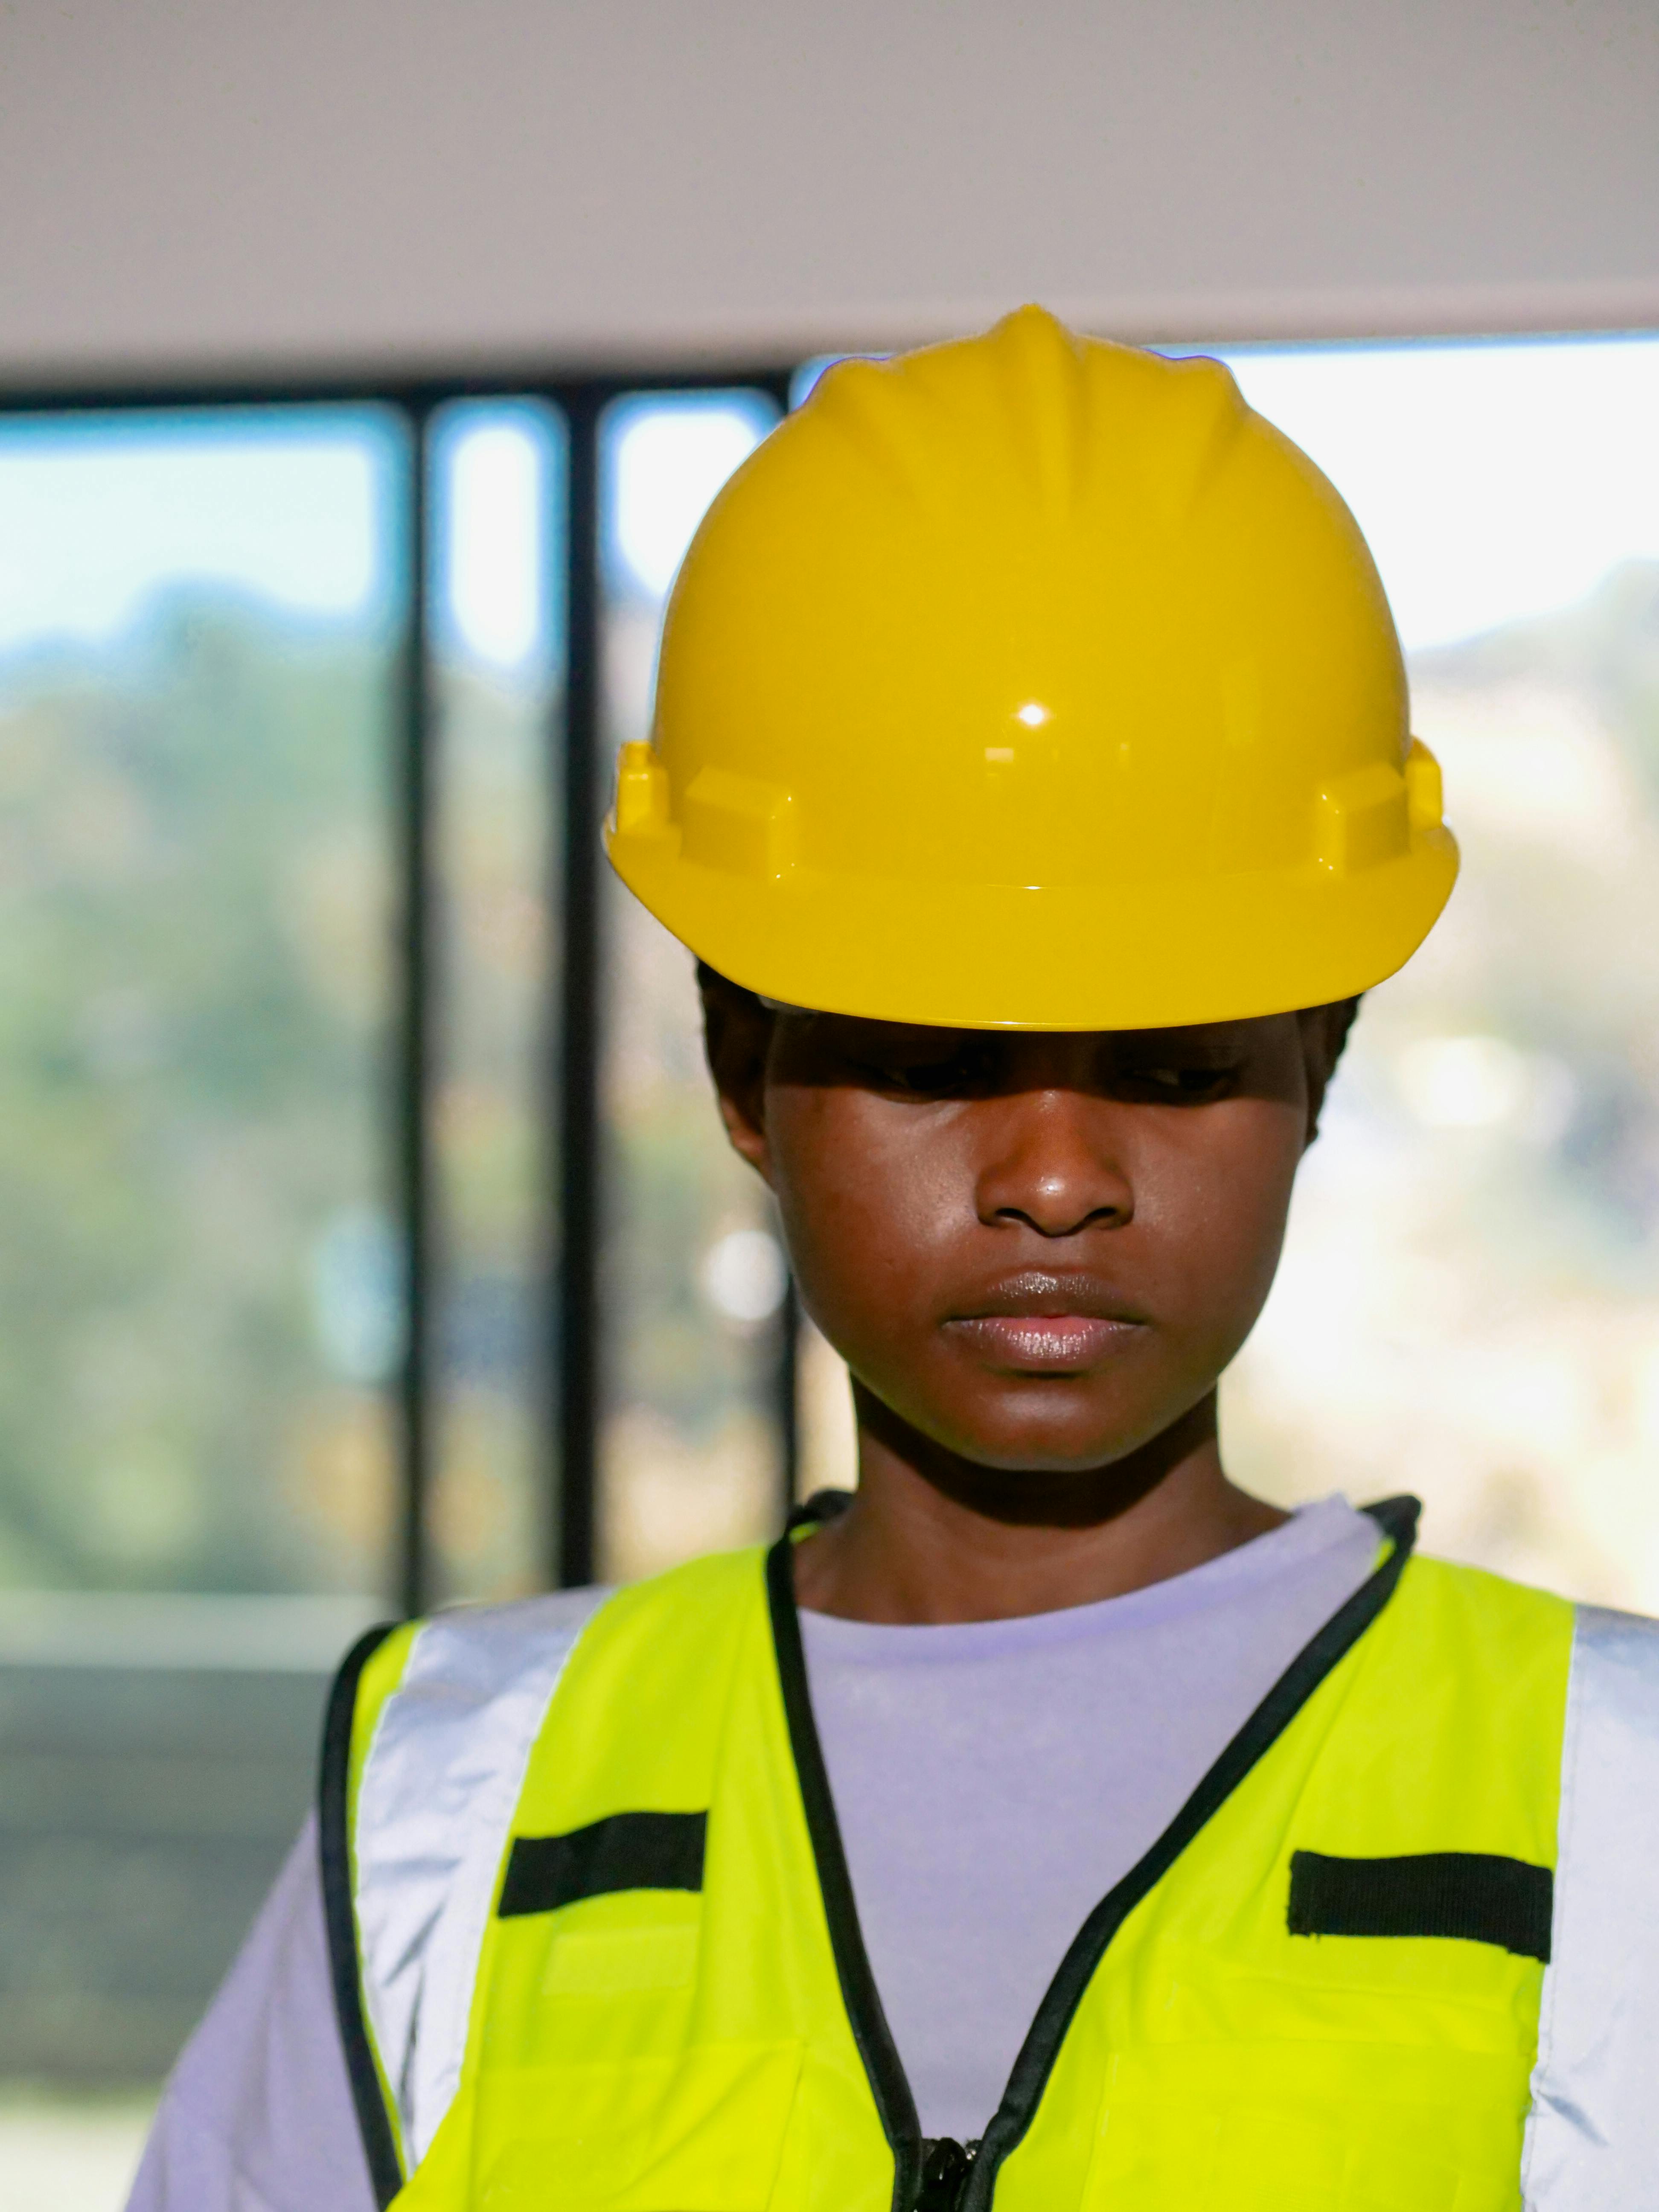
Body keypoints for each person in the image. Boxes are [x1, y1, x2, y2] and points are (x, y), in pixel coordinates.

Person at [128, 308, 1659, 2212]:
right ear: (743, 1073)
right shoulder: (451, 1810)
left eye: (1175, 1066)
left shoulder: (1619, 1812)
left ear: (1319, 1067)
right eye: (935, 1061)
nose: (1053, 1177)